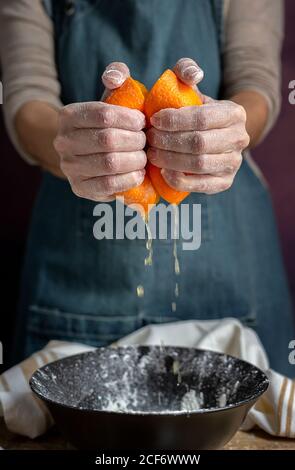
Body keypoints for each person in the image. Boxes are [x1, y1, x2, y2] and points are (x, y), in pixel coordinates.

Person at [0, 0, 294, 377]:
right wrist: (70, 143)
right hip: (75, 286)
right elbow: (26, 95)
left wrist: (226, 129)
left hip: (227, 276)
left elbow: (256, 81)